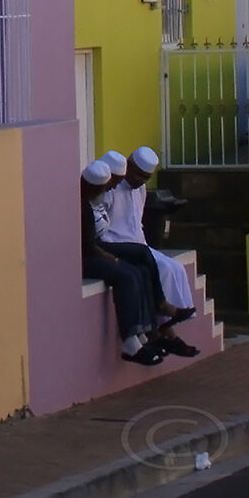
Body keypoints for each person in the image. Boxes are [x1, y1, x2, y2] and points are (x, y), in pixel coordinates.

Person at [99, 146, 200, 354]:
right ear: (129, 165)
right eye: (138, 174)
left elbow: (138, 223)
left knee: (174, 269)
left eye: (145, 177)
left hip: (139, 244)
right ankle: (166, 332)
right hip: (116, 245)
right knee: (157, 269)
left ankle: (165, 327)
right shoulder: (110, 188)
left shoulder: (140, 189)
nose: (140, 180)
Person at [82, 159, 165, 365]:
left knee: (140, 271)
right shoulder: (81, 205)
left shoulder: (92, 202)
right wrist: (111, 257)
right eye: (108, 186)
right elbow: (87, 245)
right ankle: (130, 341)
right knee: (126, 276)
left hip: (95, 252)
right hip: (83, 259)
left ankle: (143, 332)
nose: (111, 189)